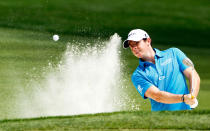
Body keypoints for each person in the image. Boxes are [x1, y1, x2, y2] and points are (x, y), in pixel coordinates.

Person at [123, 29, 200, 111]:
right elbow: (157, 96)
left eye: (137, 43)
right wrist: (183, 98)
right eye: (131, 45)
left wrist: (192, 96)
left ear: (148, 41)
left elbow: (193, 74)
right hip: (161, 121)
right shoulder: (138, 75)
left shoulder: (174, 53)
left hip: (186, 115)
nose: (134, 47)